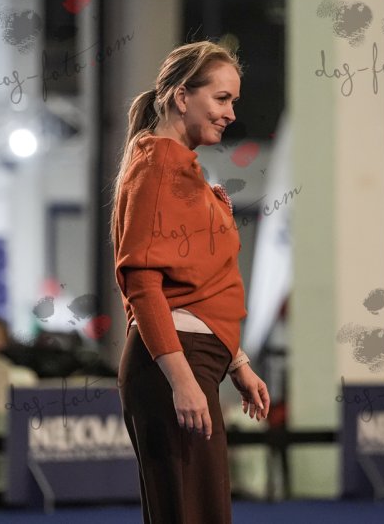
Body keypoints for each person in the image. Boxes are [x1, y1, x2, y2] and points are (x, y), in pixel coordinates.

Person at [111, 40, 270, 524]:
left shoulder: (178, 170)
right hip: (176, 364)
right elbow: (142, 284)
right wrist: (181, 381)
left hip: (192, 360)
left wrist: (236, 361)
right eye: (221, 99)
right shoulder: (159, 167)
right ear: (182, 97)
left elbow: (198, 283)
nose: (231, 114)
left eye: (233, 101)